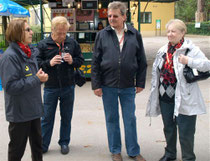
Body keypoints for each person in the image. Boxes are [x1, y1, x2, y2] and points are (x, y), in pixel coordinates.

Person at [146, 19, 210, 161]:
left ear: (182, 33)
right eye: (168, 31)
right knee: (168, 128)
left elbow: (207, 65)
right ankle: (170, 153)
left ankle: (188, 157)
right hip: (165, 97)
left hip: (184, 97)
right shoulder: (162, 51)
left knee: (186, 131)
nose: (169, 34)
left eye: (173, 31)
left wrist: (189, 61)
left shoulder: (191, 50)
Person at [91, 2, 147, 161]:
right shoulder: (102, 35)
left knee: (130, 118)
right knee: (111, 118)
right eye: (109, 16)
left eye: (115, 16)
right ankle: (115, 151)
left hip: (128, 85)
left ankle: (133, 151)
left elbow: (141, 60)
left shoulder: (134, 34)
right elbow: (95, 62)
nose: (111, 19)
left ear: (124, 16)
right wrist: (96, 84)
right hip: (108, 85)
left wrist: (140, 82)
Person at [0, 19, 48, 161]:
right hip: (19, 112)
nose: (31, 32)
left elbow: (31, 77)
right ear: (17, 32)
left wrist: (39, 77)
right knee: (17, 150)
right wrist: (37, 79)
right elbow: (10, 86)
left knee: (38, 147)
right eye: (27, 30)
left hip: (33, 109)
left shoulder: (29, 52)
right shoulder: (10, 57)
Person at [37, 16, 84, 155]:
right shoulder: (43, 44)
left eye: (65, 33)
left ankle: (64, 142)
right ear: (52, 30)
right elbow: (36, 63)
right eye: (59, 33)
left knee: (66, 116)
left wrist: (72, 61)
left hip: (68, 86)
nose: (62, 36)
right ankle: (43, 145)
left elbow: (80, 60)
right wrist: (49, 63)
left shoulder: (72, 42)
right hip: (50, 86)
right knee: (46, 118)